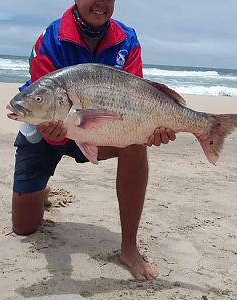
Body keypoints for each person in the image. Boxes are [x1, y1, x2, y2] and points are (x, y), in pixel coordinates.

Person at [12, 0, 176, 281]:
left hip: (97, 129)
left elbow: (135, 102)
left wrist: (151, 129)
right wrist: (53, 134)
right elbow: (40, 103)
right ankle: (41, 192)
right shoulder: (49, 40)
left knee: (136, 143)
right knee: (24, 227)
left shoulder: (128, 40)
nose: (100, 3)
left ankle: (129, 248)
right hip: (47, 131)